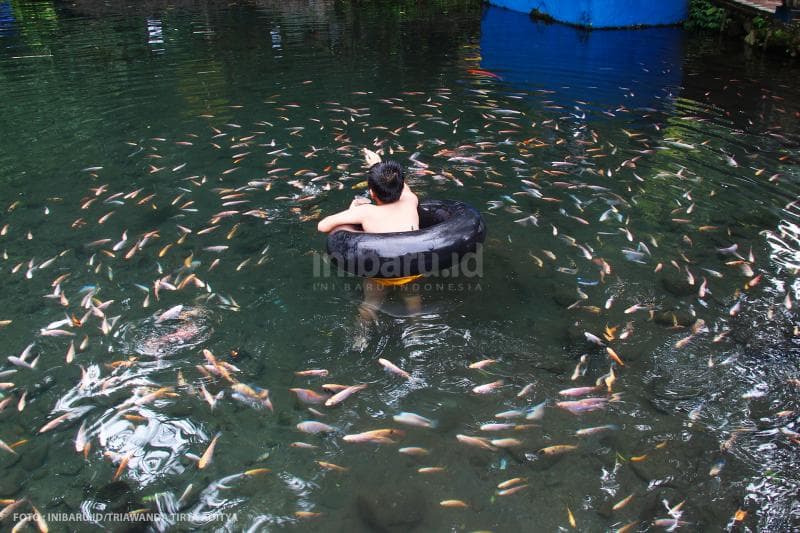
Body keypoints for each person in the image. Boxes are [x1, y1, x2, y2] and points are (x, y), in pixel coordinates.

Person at [317, 160, 422, 323]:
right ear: (401, 188)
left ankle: (362, 335)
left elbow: (323, 226)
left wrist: (353, 211)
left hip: (379, 272)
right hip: (410, 269)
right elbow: (404, 188)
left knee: (370, 303)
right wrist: (378, 162)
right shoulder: (410, 201)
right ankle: (417, 328)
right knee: (413, 298)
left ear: (372, 193)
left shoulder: (366, 211)